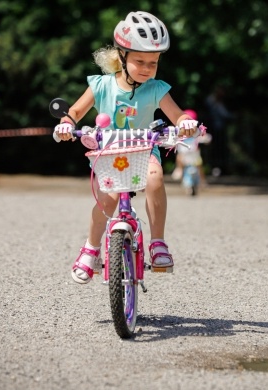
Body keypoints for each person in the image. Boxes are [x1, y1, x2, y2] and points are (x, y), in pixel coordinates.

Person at [53, 11, 198, 283]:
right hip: (108, 153)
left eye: (153, 63)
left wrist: (186, 122)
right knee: (106, 199)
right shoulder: (101, 85)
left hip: (144, 151)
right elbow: (73, 111)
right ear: (121, 56)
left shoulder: (156, 89)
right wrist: (65, 124)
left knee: (155, 178)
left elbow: (178, 115)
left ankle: (157, 243)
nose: (146, 68)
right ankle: (91, 248)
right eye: (139, 61)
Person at [171, 109, 211, 189]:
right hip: (184, 154)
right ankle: (179, 170)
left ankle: (202, 180)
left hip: (194, 154)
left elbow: (205, 136)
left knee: (199, 165)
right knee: (179, 159)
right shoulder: (179, 133)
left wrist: (206, 138)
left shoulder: (196, 132)